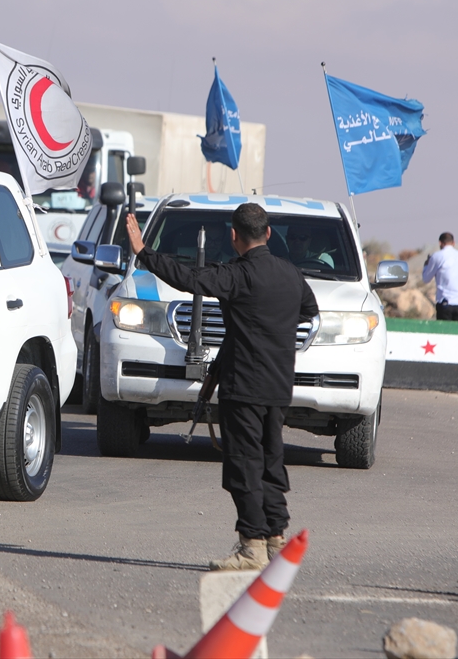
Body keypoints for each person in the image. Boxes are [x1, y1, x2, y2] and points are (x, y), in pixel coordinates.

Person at [126, 203, 318, 570]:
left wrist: (143, 253)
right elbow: (308, 309)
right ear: (269, 234)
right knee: (270, 460)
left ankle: (252, 546)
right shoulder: (291, 274)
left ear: (234, 237)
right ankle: (276, 540)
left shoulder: (236, 275)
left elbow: (187, 278)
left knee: (244, 465)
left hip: (244, 385)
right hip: (278, 385)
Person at [422, 232, 458, 321]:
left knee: (445, 334)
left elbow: (426, 279)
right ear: (453, 243)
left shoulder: (437, 256)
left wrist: (426, 265)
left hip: (445, 303)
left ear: (440, 243)